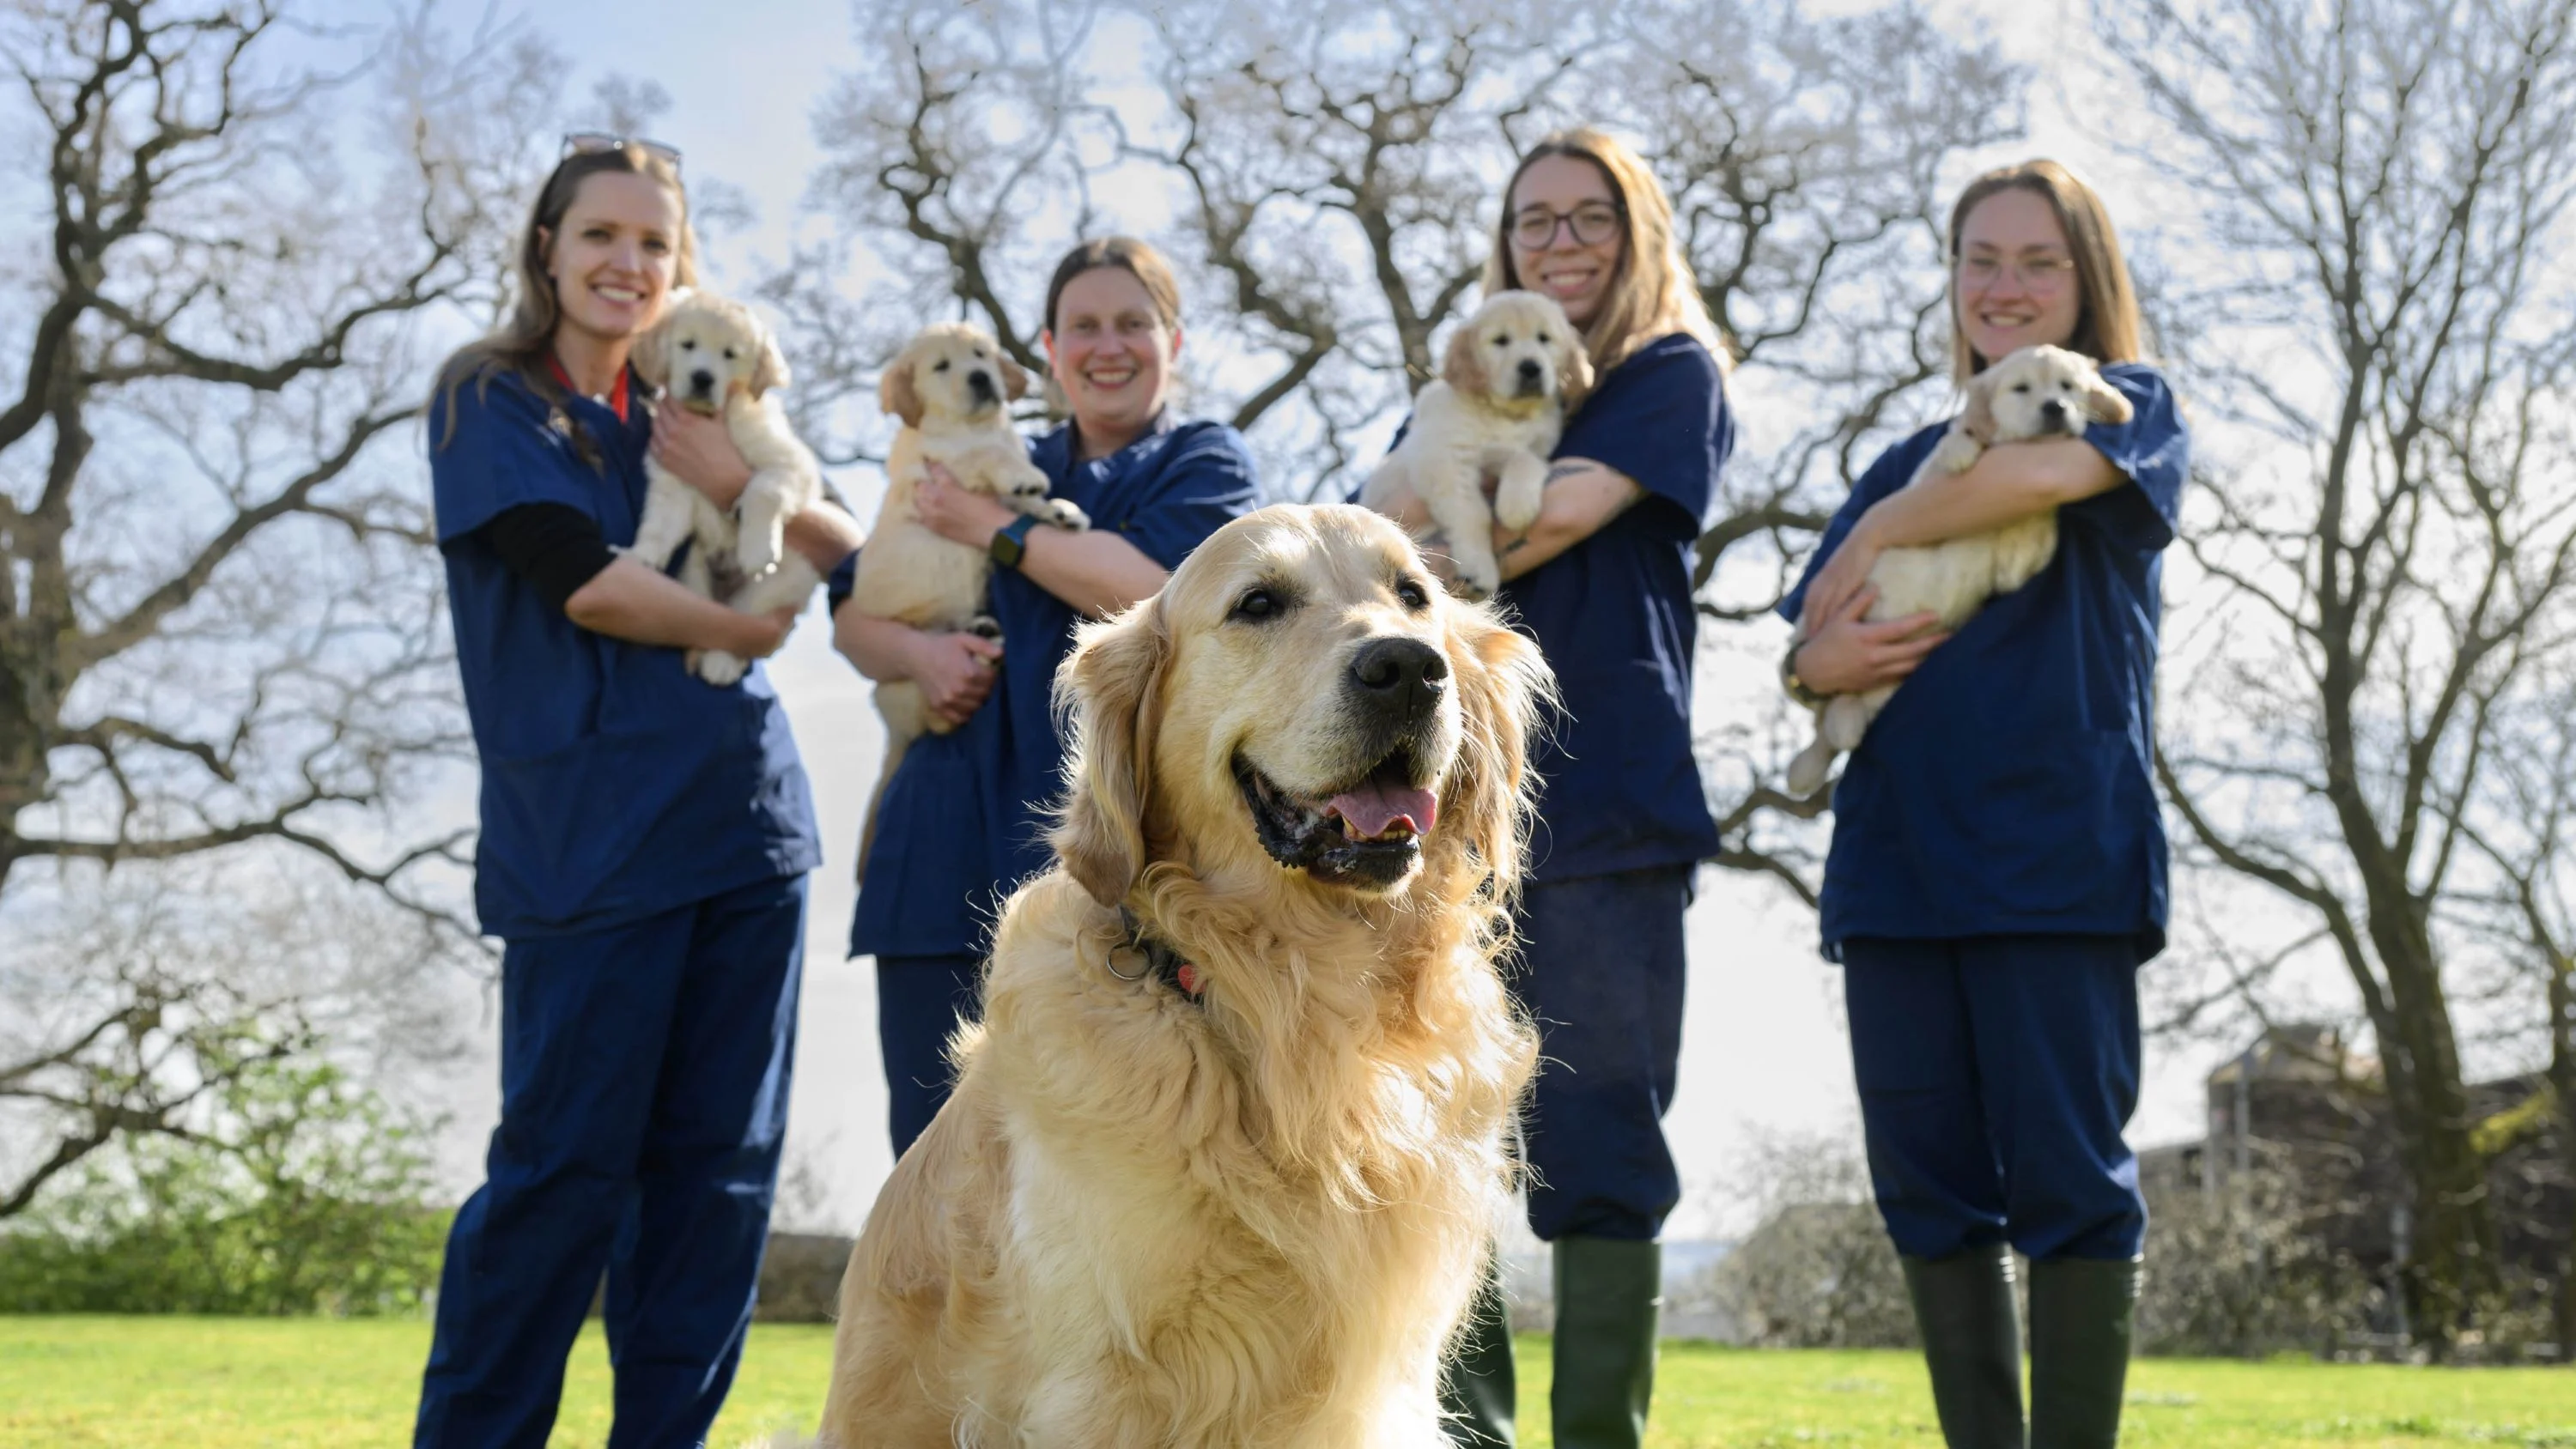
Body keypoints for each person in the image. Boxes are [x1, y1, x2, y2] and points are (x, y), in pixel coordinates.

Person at [415, 135, 863, 1449]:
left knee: (716, 1188)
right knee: (561, 1180)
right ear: (547, 247)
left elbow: (842, 542)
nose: (626, 263)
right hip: (589, 848)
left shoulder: (709, 406)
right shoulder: (488, 399)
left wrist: (745, 486)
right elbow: (587, 581)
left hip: (745, 834)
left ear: (683, 270)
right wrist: (742, 631)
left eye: (653, 243)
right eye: (601, 235)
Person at [1779, 159, 2189, 1449]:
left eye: (2038, 261)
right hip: (1897, 868)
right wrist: (1810, 662)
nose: (2005, 287)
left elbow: (2035, 479)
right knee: (1928, 1194)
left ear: (2087, 281)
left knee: (2070, 1186)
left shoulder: (2128, 408)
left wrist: (1882, 530)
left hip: (2059, 857)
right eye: (1981, 259)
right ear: (1952, 280)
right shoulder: (1905, 454)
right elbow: (1809, 639)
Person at [1370, 127, 1735, 1449]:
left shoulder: (1665, 377)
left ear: (1637, 237)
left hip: (1609, 800)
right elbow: (1386, 545)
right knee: (1435, 1127)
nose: (1561, 241)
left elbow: (1531, 522)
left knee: (1600, 1138)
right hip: (1437, 810)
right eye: (1536, 220)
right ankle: (1451, 1437)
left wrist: (1425, 518)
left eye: (1590, 218)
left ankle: (1599, 1435)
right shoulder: (1465, 384)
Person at [829, 237, 1259, 1156]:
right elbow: (851, 612)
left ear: (1173, 343)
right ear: (1048, 350)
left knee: (1114, 1166)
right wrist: (920, 652)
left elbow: (1153, 588)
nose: (1109, 346)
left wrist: (990, 525)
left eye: (1132, 323)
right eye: (1083, 327)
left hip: (1114, 870)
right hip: (939, 847)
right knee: (940, 1160)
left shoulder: (1203, 463)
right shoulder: (979, 449)